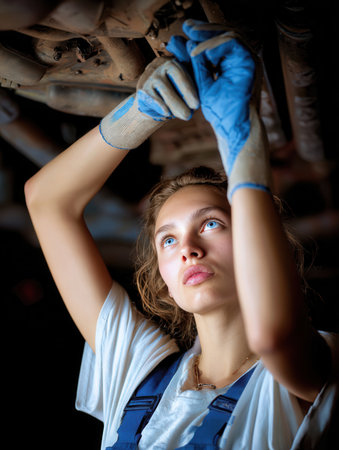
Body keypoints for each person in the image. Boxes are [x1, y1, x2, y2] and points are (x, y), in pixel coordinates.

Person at [25, 19, 338, 449]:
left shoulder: (302, 373)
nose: (188, 249)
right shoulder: (138, 370)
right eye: (168, 240)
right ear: (165, 284)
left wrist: (242, 140)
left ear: (257, 244)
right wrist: (140, 111)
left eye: (211, 224)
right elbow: (46, 200)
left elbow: (273, 336)